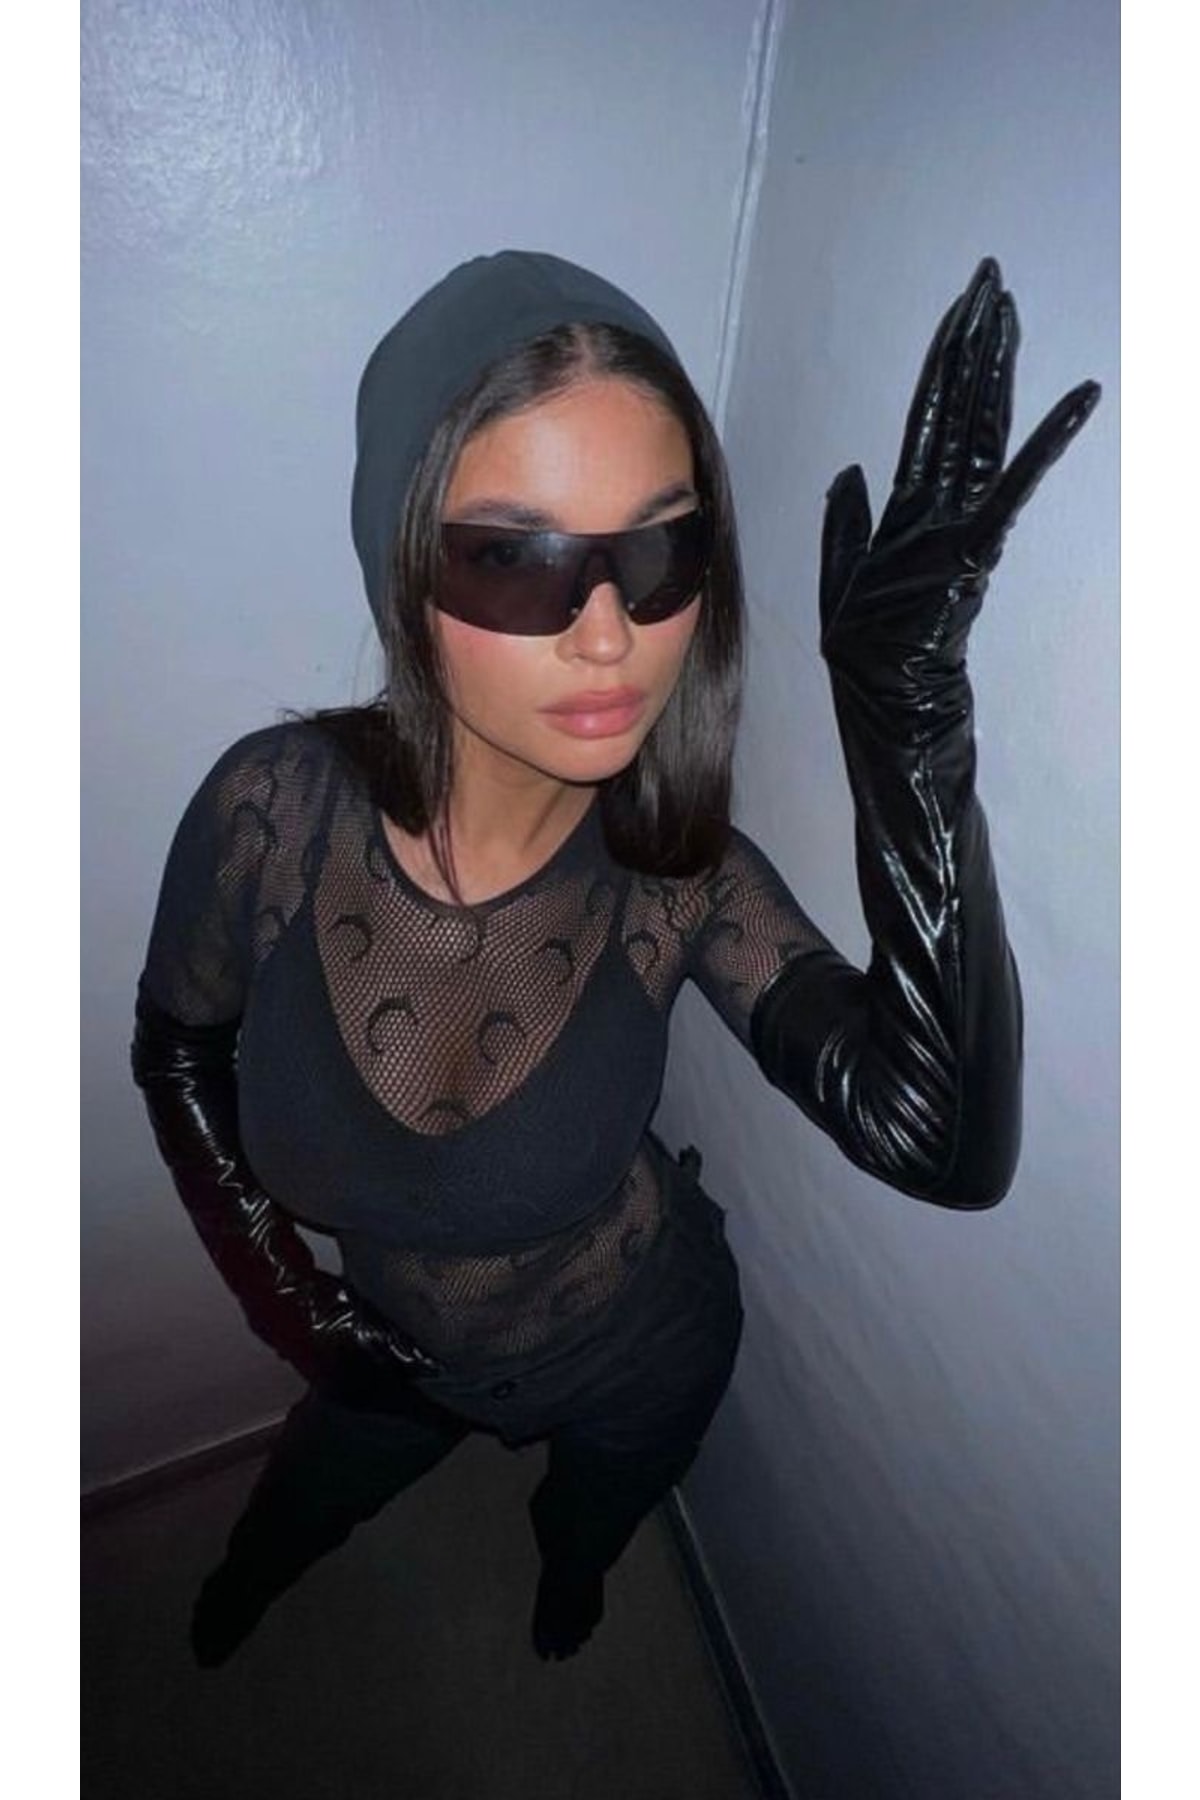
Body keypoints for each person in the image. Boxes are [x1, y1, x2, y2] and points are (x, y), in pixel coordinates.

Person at [131, 250, 1098, 1668]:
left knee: (595, 1521)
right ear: (403, 566)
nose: (609, 634)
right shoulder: (274, 817)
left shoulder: (677, 881)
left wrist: (905, 724)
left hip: (643, 1338)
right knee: (291, 1515)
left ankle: (571, 1578)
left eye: (660, 554)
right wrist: (299, 1306)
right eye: (514, 559)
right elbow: (177, 1047)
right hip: (388, 1349)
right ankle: (241, 1588)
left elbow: (942, 1143)